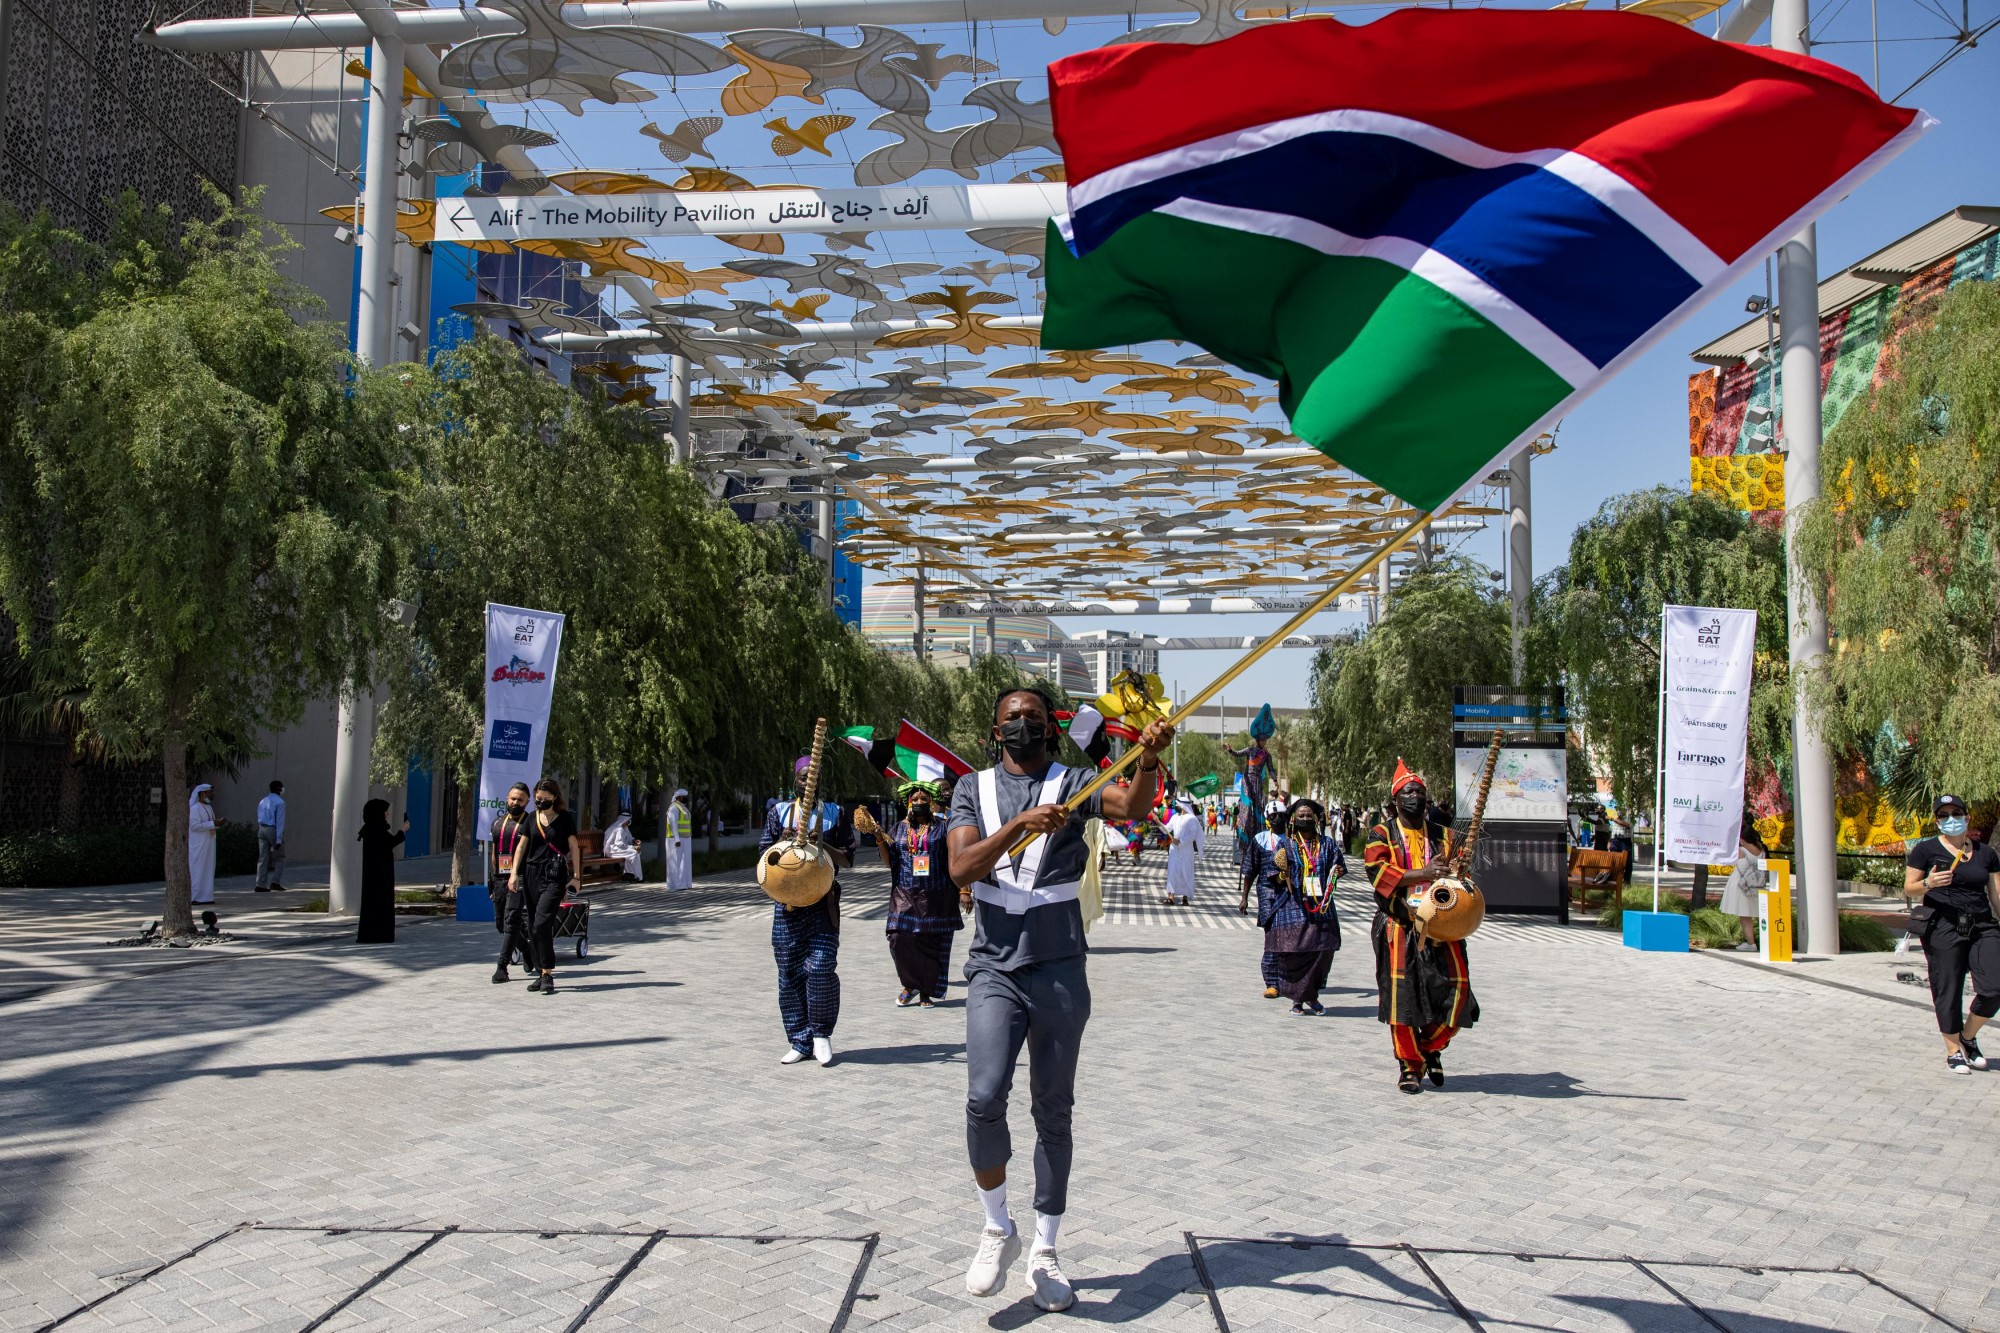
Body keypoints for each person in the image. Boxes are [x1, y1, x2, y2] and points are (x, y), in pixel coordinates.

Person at [946, 685, 1174, 1313]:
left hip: (1058, 964)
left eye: (1035, 718)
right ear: (996, 732)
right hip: (994, 963)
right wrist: (1020, 824)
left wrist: (1149, 758)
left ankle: (1046, 1249)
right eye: (1012, 719)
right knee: (984, 1096)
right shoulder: (973, 789)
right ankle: (998, 1227)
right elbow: (961, 870)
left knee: (1054, 1108)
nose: (1023, 725)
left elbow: (1128, 805)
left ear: (1052, 727)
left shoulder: (1074, 780)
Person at [1365, 763, 1478, 1095]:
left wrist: (1459, 870)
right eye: (1409, 793)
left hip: (1442, 928)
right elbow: (1377, 873)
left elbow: (1460, 882)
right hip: (1398, 925)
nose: (1416, 797)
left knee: (1457, 996)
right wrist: (1424, 873)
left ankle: (1429, 1048)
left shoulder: (1445, 835)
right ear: (1396, 800)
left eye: (1421, 793)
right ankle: (1410, 1066)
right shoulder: (1380, 833)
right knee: (1402, 1000)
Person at [762, 755, 857, 1065]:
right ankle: (799, 1040)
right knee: (788, 972)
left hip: (823, 904)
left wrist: (823, 844)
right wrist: (780, 841)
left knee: (820, 967)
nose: (807, 781)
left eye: (812, 776)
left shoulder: (835, 813)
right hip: (787, 907)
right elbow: (763, 855)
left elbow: (848, 859)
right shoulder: (778, 812)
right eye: (802, 776)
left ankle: (821, 1034)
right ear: (795, 779)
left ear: (819, 779)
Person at [1905, 794, 2000, 1075]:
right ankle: (1953, 1051)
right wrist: (1928, 883)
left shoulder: (1986, 854)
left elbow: (1996, 894)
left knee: (1994, 987)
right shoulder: (1926, 850)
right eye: (1944, 815)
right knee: (1948, 988)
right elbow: (1909, 888)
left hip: (1982, 925)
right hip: (1943, 926)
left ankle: (1967, 1037)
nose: (1951, 820)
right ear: (1937, 821)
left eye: (1956, 813)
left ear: (1967, 817)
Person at [866, 780, 961, 1007]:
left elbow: (955, 857)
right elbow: (889, 861)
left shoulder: (943, 827)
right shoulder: (898, 828)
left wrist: (965, 889)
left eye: (924, 799)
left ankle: (926, 992)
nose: (919, 802)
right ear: (909, 802)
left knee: (931, 943)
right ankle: (910, 984)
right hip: (904, 892)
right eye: (915, 799)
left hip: (936, 893)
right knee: (898, 939)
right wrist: (879, 838)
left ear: (931, 802)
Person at [1246, 798, 1345, 1015]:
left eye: (1309, 815)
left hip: (1322, 907)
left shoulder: (1327, 844)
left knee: (1324, 951)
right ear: (1294, 819)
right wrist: (1283, 874)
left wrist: (1336, 871)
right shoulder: (1287, 845)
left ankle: (1309, 994)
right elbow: (1274, 875)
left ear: (1316, 819)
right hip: (1294, 907)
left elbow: (1339, 866)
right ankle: (1301, 1000)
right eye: (1301, 815)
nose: (1305, 818)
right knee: (1295, 953)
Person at [509, 778, 579, 994]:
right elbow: (522, 846)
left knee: (541, 923)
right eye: (537, 799)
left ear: (554, 798)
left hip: (555, 875)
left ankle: (548, 973)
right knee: (531, 924)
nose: (540, 803)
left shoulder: (565, 818)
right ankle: (541, 972)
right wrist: (513, 873)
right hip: (531, 874)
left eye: (544, 800)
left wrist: (576, 876)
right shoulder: (531, 818)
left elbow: (574, 847)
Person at [489, 783, 533, 983]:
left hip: (521, 877)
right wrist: (493, 878)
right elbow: (494, 850)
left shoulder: (530, 823)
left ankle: (502, 966)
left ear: (527, 802)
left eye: (520, 800)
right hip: (500, 877)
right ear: (507, 798)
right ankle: (526, 949)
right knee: (500, 923)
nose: (516, 803)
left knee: (512, 920)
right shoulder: (498, 821)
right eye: (513, 799)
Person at [356, 798, 408, 945]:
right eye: (385, 811)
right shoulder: (376, 829)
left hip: (376, 873)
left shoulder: (371, 829)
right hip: (379, 874)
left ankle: (375, 933)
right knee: (380, 902)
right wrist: (402, 830)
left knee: (374, 903)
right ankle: (379, 934)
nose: (387, 814)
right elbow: (390, 842)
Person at [1719, 821, 1768, 953]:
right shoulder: (1761, 850)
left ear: (1741, 838)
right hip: (1755, 885)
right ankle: (1755, 941)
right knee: (1751, 914)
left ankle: (1751, 943)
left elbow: (1726, 857)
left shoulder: (1741, 850)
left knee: (1745, 915)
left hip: (1741, 885)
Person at [1163, 797, 1204, 906]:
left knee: (1186, 872)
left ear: (1182, 805)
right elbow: (1167, 828)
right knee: (1172, 871)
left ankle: (1185, 898)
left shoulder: (1192, 819)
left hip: (1186, 850)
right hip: (1174, 849)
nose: (1175, 806)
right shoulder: (1175, 817)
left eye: (1176, 804)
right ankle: (1171, 896)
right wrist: (1158, 823)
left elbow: (1192, 835)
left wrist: (1180, 841)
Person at [254, 779, 286, 892]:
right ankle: (275, 882)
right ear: (278, 789)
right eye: (282, 787)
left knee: (263, 858)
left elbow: (259, 816)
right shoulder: (280, 802)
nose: (283, 789)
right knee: (280, 857)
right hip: (272, 829)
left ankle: (260, 884)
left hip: (262, 829)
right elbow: (280, 821)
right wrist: (278, 839)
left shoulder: (263, 801)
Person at [188, 785, 217, 907]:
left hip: (209, 843)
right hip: (198, 844)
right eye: (210, 792)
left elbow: (211, 823)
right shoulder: (195, 808)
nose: (212, 795)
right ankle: (196, 896)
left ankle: (207, 896)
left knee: (208, 869)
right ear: (202, 794)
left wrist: (216, 823)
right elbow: (194, 826)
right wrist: (212, 824)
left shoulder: (209, 807)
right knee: (197, 870)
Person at [664, 788, 694, 890]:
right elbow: (673, 824)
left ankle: (684, 883)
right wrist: (677, 839)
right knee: (675, 862)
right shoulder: (674, 808)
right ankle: (674, 885)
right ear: (679, 797)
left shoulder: (682, 808)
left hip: (685, 838)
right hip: (675, 840)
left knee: (684, 862)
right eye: (683, 797)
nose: (685, 799)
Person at [601, 810, 643, 880]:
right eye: (628, 820)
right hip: (611, 850)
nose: (629, 822)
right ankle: (636, 876)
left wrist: (634, 841)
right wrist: (633, 847)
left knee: (634, 852)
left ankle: (630, 874)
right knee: (634, 852)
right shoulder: (618, 829)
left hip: (617, 849)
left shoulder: (625, 828)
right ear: (625, 820)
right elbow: (619, 843)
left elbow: (629, 839)